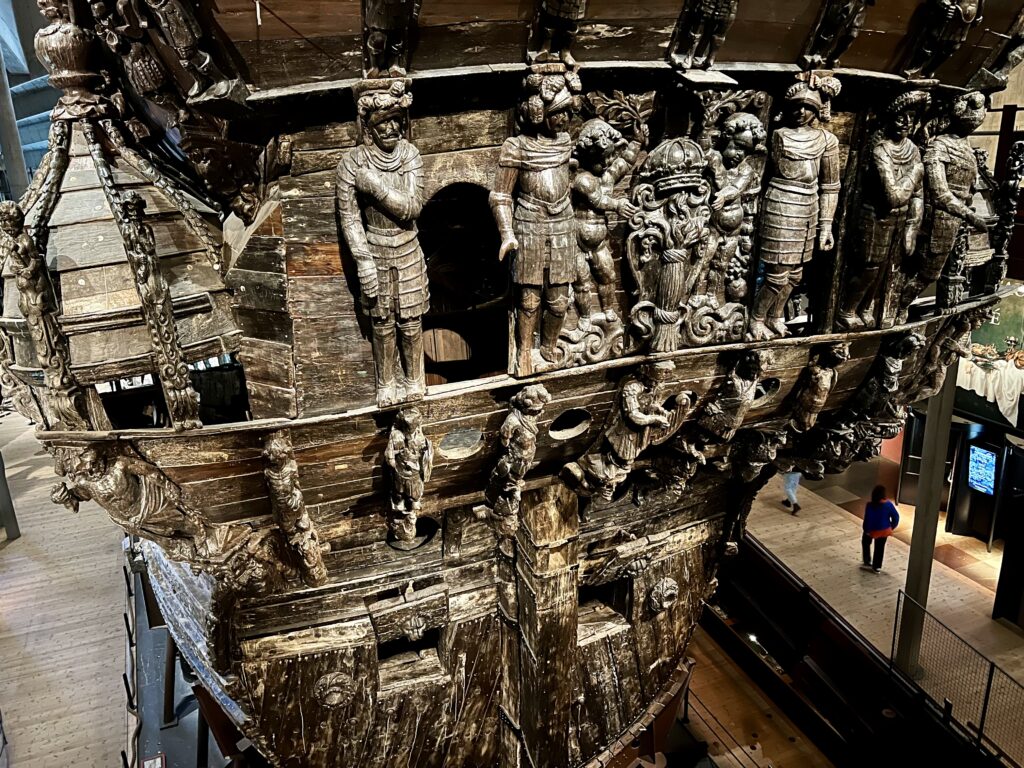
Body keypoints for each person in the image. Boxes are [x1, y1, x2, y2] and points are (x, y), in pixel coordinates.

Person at [861, 484, 899, 573]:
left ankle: (867, 561)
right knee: (880, 548)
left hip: (872, 530)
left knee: (865, 542)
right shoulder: (889, 504)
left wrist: (866, 530)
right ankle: (877, 567)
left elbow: (868, 519)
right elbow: (896, 517)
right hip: (884, 530)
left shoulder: (870, 505)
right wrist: (891, 527)